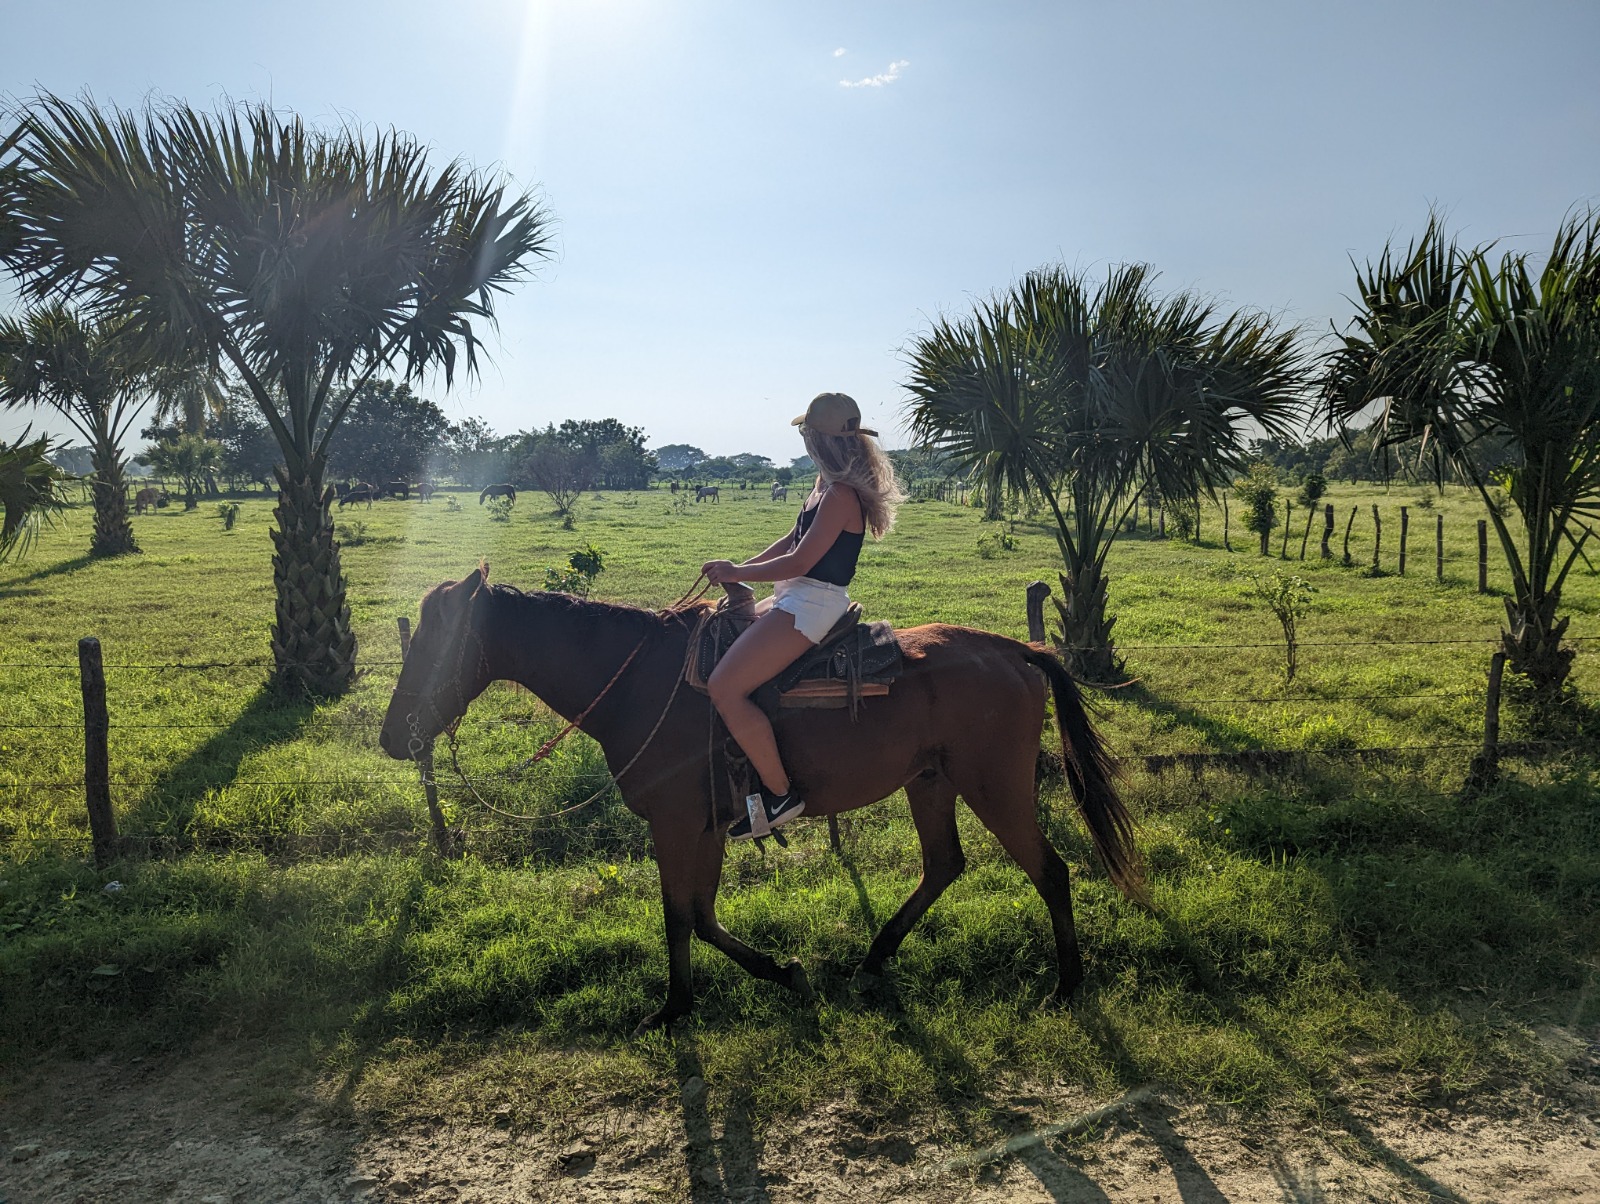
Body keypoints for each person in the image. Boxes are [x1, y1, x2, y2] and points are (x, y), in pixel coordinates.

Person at [702, 392, 905, 840]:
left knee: (725, 687)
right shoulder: (824, 486)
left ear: (816, 438)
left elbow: (800, 563)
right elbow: (791, 542)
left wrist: (739, 572)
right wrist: (739, 569)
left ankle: (779, 795)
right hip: (795, 595)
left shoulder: (839, 496)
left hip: (812, 603)